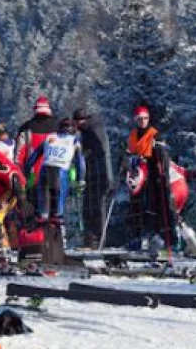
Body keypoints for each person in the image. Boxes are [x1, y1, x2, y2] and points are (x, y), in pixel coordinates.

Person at [123, 105, 173, 250]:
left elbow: (163, 156)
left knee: (151, 205)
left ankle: (157, 235)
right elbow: (129, 152)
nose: (143, 121)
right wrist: (127, 160)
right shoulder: (133, 135)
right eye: (140, 119)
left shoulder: (154, 134)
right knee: (136, 205)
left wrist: (161, 171)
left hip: (152, 174)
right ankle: (137, 236)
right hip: (137, 173)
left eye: (145, 118)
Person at [26, 117, 86, 230]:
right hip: (60, 173)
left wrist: (27, 172)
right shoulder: (74, 140)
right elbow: (80, 162)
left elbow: (32, 158)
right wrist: (80, 179)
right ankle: (59, 239)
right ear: (72, 129)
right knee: (57, 215)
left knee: (43, 215)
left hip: (44, 172)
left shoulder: (49, 137)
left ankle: (42, 240)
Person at [73, 108, 113, 247]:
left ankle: (98, 237)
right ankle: (92, 237)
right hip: (94, 173)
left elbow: (100, 150)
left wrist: (86, 153)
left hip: (99, 173)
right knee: (91, 205)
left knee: (96, 206)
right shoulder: (90, 129)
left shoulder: (93, 129)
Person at [15, 96, 58, 199]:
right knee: (53, 205)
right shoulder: (57, 127)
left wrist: (19, 170)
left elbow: (19, 153)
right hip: (53, 173)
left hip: (32, 174)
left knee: (32, 203)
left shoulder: (25, 128)